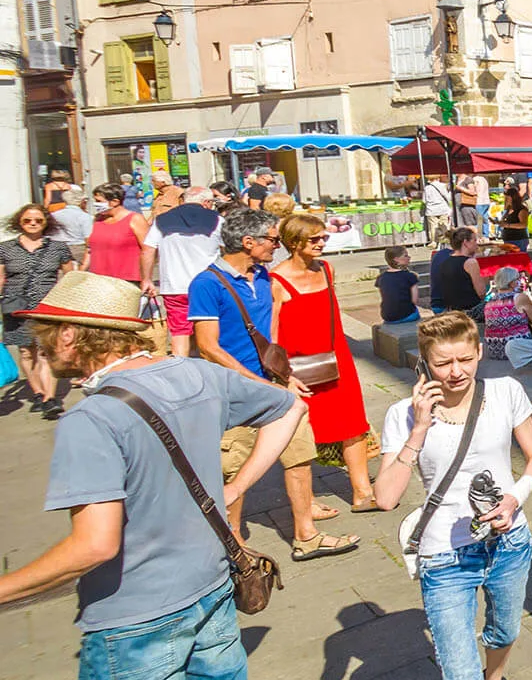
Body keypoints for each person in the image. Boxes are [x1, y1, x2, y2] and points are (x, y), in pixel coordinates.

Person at [0, 272, 308, 680]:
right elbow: (289, 407)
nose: (41, 347)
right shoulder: (195, 373)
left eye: (45, 335)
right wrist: (235, 487)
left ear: (73, 336)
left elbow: (93, 547)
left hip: (136, 613)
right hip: (212, 584)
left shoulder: (90, 420)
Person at [375, 310, 532, 680]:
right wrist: (419, 429)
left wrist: (516, 497)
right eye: (442, 362)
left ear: (479, 353)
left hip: (507, 542)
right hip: (445, 558)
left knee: (503, 630)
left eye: (465, 359)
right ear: (423, 362)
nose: (455, 372)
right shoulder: (403, 415)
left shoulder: (507, 392)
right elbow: (384, 497)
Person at [188, 207, 359, 561]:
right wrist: (256, 380)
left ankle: (306, 535)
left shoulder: (264, 277)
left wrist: (285, 375)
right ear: (248, 242)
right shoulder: (206, 283)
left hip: (276, 385)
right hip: (235, 389)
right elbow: (207, 345)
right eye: (272, 240)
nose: (276, 246)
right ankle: (232, 545)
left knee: (298, 456)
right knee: (236, 465)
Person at [271, 213, 376, 512]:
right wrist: (281, 374)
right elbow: (272, 333)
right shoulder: (276, 280)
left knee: (353, 424)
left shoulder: (327, 270)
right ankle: (308, 502)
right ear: (293, 242)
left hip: (336, 357)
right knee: (300, 434)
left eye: (323, 238)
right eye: (314, 239)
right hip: (299, 365)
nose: (321, 243)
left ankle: (362, 491)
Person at [1, 203, 76, 414]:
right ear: (19, 222)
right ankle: (37, 392)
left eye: (38, 220)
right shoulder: (5, 248)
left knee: (46, 352)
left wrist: (69, 304)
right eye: (27, 220)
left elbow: (69, 278)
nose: (33, 224)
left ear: (46, 223)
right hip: (16, 307)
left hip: (48, 306)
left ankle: (50, 398)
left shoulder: (58, 248)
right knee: (26, 352)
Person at [141, 186, 224, 357]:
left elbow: (148, 250)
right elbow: (229, 250)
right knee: (209, 333)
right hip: (208, 285)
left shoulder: (161, 220)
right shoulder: (218, 221)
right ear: (207, 203)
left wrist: (147, 279)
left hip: (174, 287)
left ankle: (182, 370)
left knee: (179, 333)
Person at [86, 184, 148, 286]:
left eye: (99, 201)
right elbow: (89, 250)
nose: (95, 204)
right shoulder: (98, 220)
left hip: (127, 280)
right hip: (99, 280)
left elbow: (147, 250)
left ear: (115, 202)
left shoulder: (135, 219)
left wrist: (146, 278)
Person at [434, 228, 488, 320]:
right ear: (465, 242)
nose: (477, 243)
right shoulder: (470, 263)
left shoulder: (445, 262)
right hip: (471, 310)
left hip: (452, 309)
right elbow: (482, 292)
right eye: (474, 240)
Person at [377, 245, 421, 324]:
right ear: (396, 259)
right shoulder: (410, 276)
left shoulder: (381, 278)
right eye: (406, 256)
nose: (409, 257)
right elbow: (415, 301)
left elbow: (385, 297)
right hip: (407, 315)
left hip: (387, 316)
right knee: (415, 312)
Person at [423, 175, 455, 246]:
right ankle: (446, 239)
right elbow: (448, 197)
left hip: (431, 210)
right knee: (444, 225)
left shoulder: (427, 188)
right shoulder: (443, 186)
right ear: (438, 178)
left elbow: (424, 200)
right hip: (442, 208)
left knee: (433, 226)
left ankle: (434, 241)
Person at [498, 182, 530, 252]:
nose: (506, 200)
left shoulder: (521, 209)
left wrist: (508, 225)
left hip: (518, 239)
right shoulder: (509, 209)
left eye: (507, 198)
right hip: (508, 239)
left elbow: (523, 224)